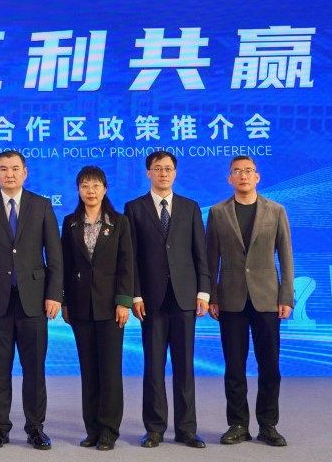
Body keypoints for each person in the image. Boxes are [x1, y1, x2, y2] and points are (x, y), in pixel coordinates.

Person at [0, 150, 63, 450]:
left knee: (34, 369)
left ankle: (36, 428)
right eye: (4, 169)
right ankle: (0, 428)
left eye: (15, 168)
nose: (10, 174)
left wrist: (54, 295)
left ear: (25, 172)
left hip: (35, 300)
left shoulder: (41, 205)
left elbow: (55, 255)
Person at [122, 150, 210, 449]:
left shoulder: (190, 207)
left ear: (175, 173)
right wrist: (135, 294)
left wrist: (203, 291)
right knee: (154, 367)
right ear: (148, 172)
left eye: (168, 168)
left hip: (185, 297)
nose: (163, 173)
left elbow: (201, 253)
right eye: (157, 168)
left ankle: (186, 429)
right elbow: (131, 257)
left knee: (184, 367)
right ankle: (155, 429)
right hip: (151, 300)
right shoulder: (134, 208)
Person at [206, 156, 293, 448]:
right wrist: (212, 295)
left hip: (267, 298)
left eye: (248, 171)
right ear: (229, 178)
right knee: (234, 365)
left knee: (269, 365)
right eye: (237, 172)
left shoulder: (276, 210)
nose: (243, 176)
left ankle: (268, 424)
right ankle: (238, 424)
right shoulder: (217, 212)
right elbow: (211, 258)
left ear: (257, 177)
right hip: (230, 299)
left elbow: (286, 256)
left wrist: (286, 296)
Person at [59, 165, 134, 451]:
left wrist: (123, 301)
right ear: (78, 190)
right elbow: (65, 265)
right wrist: (65, 301)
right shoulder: (70, 222)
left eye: (95, 185)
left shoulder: (119, 222)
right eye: (85, 186)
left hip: (111, 307)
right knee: (89, 371)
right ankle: (92, 429)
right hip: (80, 307)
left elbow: (127, 264)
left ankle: (109, 431)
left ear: (105, 189)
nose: (90, 191)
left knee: (110, 371)